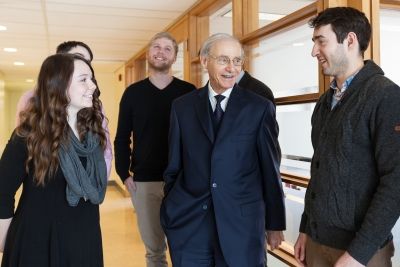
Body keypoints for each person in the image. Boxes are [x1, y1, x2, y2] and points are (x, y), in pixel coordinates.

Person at [160, 33, 285, 267]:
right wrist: (172, 208)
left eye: (237, 61)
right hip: (191, 226)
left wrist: (274, 223)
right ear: (205, 60)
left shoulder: (259, 108)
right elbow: (174, 167)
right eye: (224, 60)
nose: (232, 68)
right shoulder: (182, 107)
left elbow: (270, 168)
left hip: (242, 228)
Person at [294, 7, 400, 267]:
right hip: (317, 244)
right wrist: (306, 229)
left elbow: (396, 183)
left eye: (321, 41)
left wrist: (357, 255)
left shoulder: (386, 96)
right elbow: (319, 170)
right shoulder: (324, 102)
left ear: (350, 40)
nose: (314, 51)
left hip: (362, 253)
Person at [0, 53, 107, 266]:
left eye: (92, 79)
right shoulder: (29, 134)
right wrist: (6, 241)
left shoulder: (91, 135)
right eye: (84, 79)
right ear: (59, 83)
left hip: (84, 240)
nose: (93, 86)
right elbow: (2, 191)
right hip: (38, 244)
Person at [114, 32, 196, 267]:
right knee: (154, 251)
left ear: (175, 56)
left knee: (185, 245)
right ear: (149, 53)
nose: (161, 52)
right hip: (145, 182)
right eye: (156, 47)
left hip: (182, 181)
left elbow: (199, 139)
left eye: (167, 49)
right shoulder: (133, 93)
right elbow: (122, 138)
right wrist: (124, 173)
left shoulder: (189, 92)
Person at [15, 41, 113, 179]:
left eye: (88, 62)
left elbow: (105, 149)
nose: (84, 63)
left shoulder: (92, 104)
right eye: (78, 57)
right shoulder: (31, 102)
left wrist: (98, 181)